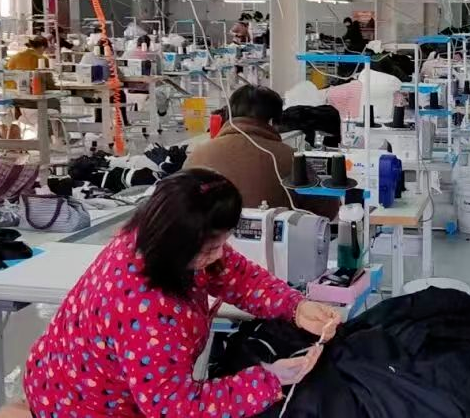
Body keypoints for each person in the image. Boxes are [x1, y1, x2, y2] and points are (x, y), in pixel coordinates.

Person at [23, 169, 340, 418]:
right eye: (212, 248)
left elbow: (234, 274)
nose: (220, 254)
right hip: (76, 406)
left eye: (223, 242)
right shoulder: (146, 311)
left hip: (65, 377)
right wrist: (267, 379)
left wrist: (295, 306)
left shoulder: (159, 235)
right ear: (178, 245)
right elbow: (175, 408)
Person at [185, 84, 336, 217]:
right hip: (272, 240)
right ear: (273, 122)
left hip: (206, 238)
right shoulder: (288, 158)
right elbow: (327, 210)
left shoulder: (198, 155)